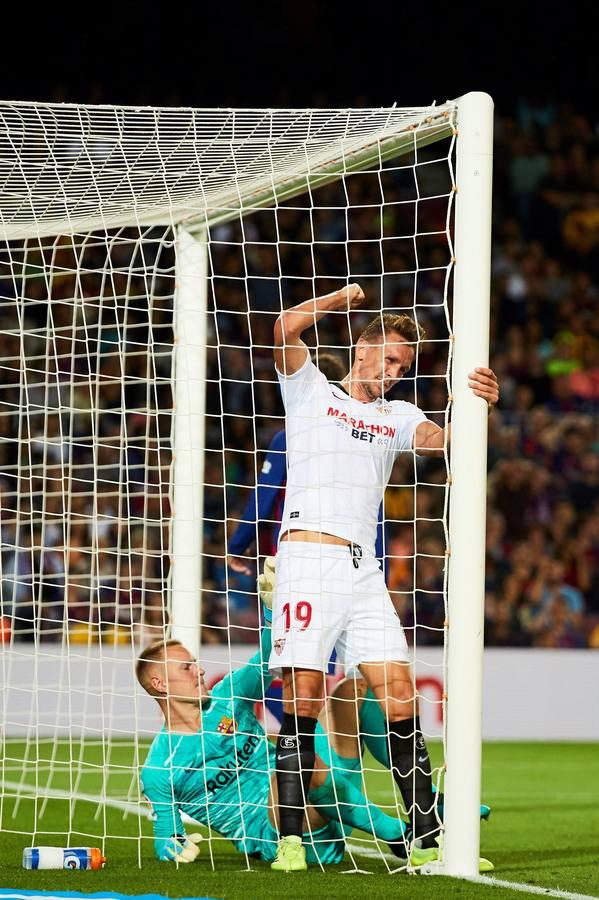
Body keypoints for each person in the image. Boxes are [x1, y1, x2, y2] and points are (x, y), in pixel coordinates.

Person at [269, 284, 499, 872]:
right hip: (309, 559)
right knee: (303, 696)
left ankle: (427, 838)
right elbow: (284, 328)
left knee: (399, 693)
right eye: (390, 359)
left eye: (404, 365)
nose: (395, 373)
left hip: (363, 570)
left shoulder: (397, 416)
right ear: (363, 347)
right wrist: (340, 298)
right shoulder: (311, 389)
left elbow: (442, 442)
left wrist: (481, 407)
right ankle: (291, 840)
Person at [137, 562, 413, 869]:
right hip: (284, 835)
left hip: (327, 797)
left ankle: (424, 796)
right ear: (159, 684)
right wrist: (169, 842)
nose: (199, 671)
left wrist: (272, 614)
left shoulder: (227, 696)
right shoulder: (159, 768)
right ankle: (399, 834)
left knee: (352, 692)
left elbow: (266, 659)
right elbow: (166, 832)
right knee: (296, 759)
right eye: (186, 668)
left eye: (195, 663)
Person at [228, 352, 385, 575]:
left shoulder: (289, 437)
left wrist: (237, 546)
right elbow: (373, 512)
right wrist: (382, 572)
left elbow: (263, 497)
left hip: (295, 556)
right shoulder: (362, 442)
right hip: (347, 561)